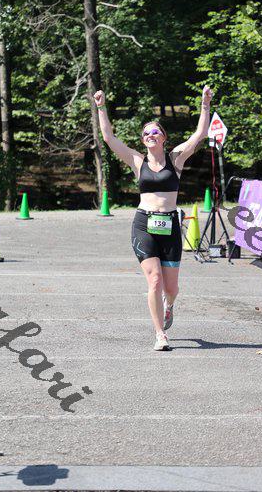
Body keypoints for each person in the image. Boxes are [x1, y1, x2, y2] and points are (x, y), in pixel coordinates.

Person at [94, 85, 213, 350]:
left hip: (170, 226)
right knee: (155, 280)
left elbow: (200, 134)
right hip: (144, 225)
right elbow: (109, 138)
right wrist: (101, 107)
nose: (150, 135)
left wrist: (204, 104)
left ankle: (169, 305)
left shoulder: (176, 159)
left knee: (171, 289)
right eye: (146, 133)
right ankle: (160, 334)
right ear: (143, 139)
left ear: (164, 137)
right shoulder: (137, 161)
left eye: (155, 131)